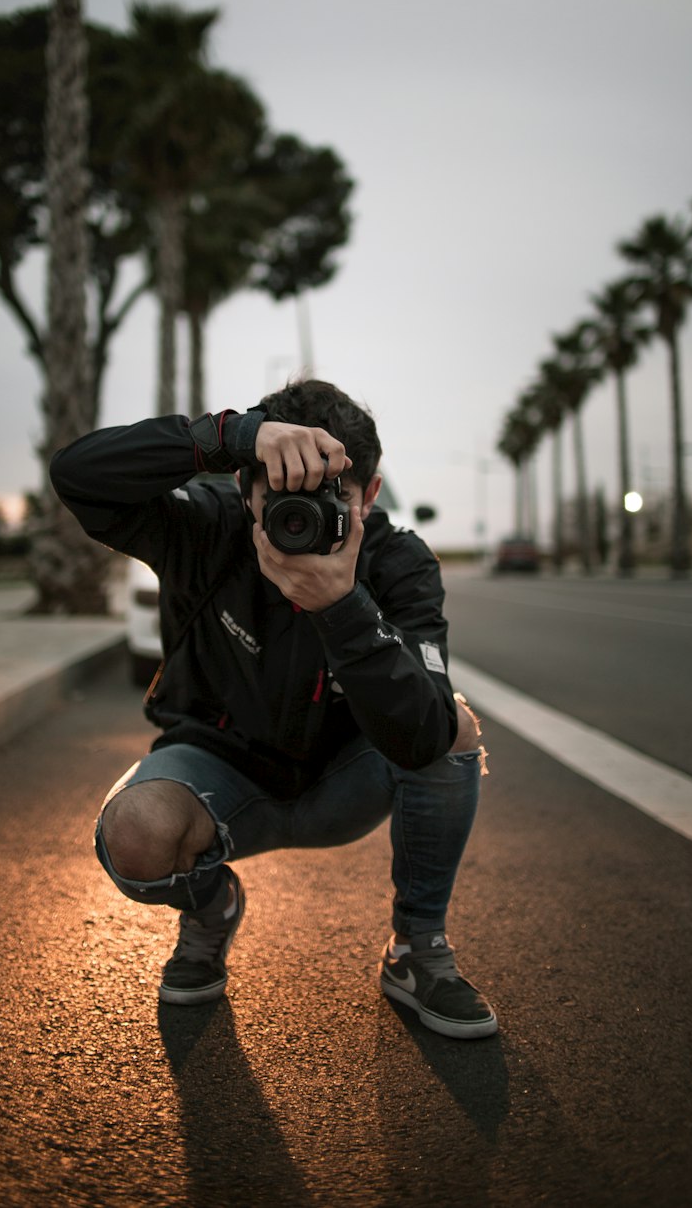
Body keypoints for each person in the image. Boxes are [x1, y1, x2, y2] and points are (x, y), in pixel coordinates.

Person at [49, 379, 496, 1040]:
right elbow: (77, 474)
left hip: (347, 778)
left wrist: (342, 610)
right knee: (135, 832)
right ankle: (209, 907)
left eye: (332, 497)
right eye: (281, 495)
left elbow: (425, 736)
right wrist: (231, 435)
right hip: (218, 770)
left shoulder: (399, 564)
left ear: (369, 497)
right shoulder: (208, 528)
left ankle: (416, 949)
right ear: (247, 487)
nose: (301, 520)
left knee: (455, 724)